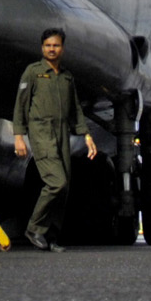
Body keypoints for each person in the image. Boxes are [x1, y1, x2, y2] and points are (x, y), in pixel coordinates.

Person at [13, 30, 98, 251]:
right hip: (41, 131)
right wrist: (18, 137)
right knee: (56, 182)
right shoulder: (33, 73)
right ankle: (34, 228)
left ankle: (51, 236)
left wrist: (86, 135)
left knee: (65, 187)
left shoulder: (67, 77)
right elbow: (20, 106)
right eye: (48, 45)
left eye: (56, 46)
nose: (52, 49)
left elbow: (76, 109)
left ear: (62, 48)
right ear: (42, 48)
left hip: (62, 132)